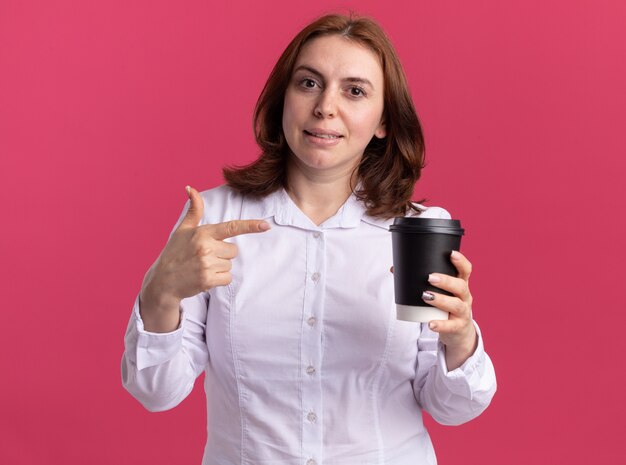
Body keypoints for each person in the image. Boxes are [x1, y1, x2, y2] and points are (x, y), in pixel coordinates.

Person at [122, 13, 496, 465]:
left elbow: (452, 408)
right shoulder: (214, 216)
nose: (325, 107)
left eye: (354, 91)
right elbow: (156, 392)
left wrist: (459, 341)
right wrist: (160, 291)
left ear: (383, 121)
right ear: (284, 99)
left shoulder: (419, 231)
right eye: (308, 84)